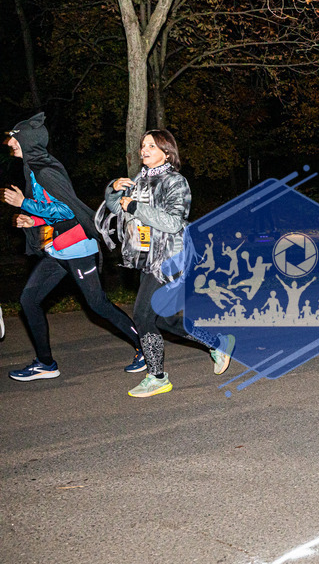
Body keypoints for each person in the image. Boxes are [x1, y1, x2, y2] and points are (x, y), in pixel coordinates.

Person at [3, 112, 143, 381]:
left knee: (98, 304)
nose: (10, 145)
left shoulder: (45, 170)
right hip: (58, 249)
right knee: (29, 300)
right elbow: (50, 210)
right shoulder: (33, 170)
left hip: (78, 247)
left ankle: (146, 348)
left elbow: (66, 210)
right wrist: (30, 219)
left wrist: (24, 204)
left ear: (29, 142)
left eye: (14, 140)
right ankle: (45, 363)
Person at [98, 129, 233, 397]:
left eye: (151, 146)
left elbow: (173, 222)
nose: (144, 150)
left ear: (166, 152)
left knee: (143, 315)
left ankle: (157, 377)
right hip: (147, 258)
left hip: (170, 258)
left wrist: (136, 208)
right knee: (165, 321)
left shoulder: (176, 182)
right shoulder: (138, 180)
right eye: (143, 145)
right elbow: (115, 207)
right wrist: (112, 189)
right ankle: (217, 341)